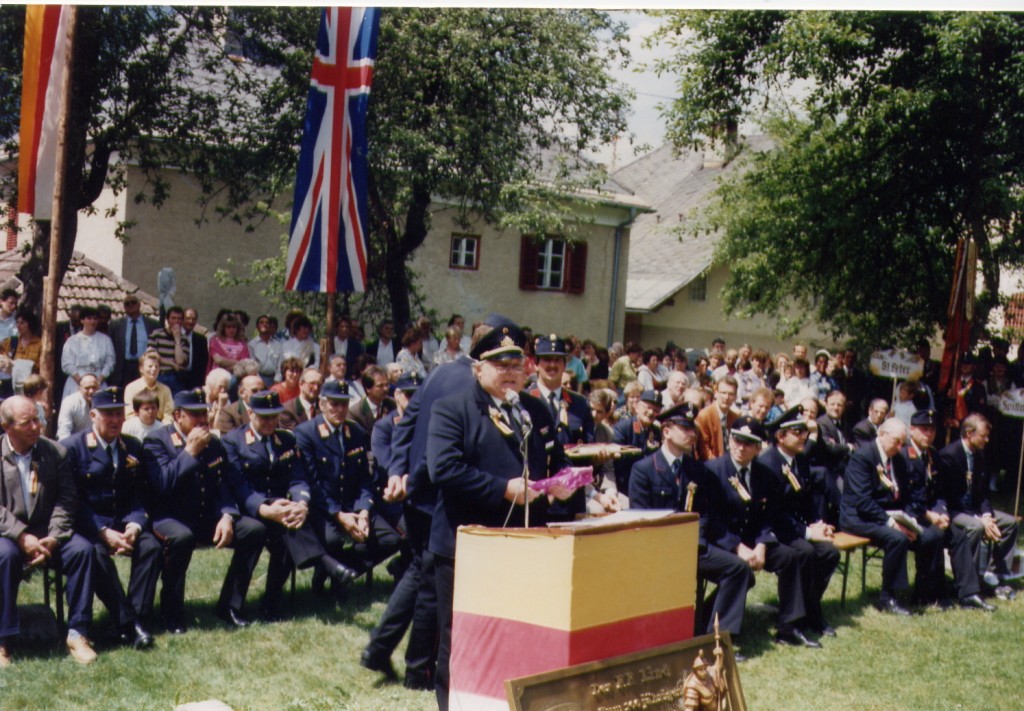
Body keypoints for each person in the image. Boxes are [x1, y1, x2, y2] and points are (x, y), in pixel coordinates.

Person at [427, 321, 571, 709]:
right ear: (478, 369)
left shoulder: (536, 409)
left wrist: (561, 483)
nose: (510, 373)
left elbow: (554, 460)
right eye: (500, 365)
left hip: (525, 546)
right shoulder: (453, 409)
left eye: (516, 365)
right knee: (460, 638)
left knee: (519, 632)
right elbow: (443, 469)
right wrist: (503, 488)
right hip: (468, 546)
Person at [222, 390, 354, 620]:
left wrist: (302, 503)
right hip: (248, 508)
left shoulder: (285, 440)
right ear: (250, 413)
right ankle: (231, 607)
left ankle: (271, 603)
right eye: (264, 417)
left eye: (274, 417)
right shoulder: (233, 441)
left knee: (289, 524)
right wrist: (265, 508)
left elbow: (298, 478)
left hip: (281, 509)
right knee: (260, 530)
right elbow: (237, 486)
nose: (270, 422)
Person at [144, 389, 266, 631]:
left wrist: (227, 515)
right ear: (178, 416)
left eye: (204, 413)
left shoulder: (214, 443)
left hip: (206, 516)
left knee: (254, 530)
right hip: (171, 516)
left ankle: (230, 605)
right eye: (195, 414)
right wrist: (189, 452)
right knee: (181, 538)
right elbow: (163, 484)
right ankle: (172, 613)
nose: (202, 420)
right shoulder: (157, 441)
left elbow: (223, 484)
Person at [0, 395, 98, 665]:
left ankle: (78, 633)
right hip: (9, 534)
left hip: (50, 532)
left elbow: (67, 500)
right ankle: (2, 640)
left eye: (38, 419)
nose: (36, 427)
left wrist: (53, 538)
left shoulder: (55, 452)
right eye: (27, 422)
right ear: (7, 427)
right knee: (4, 556)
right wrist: (21, 536)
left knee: (83, 551)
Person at [61, 387, 159, 650]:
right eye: (108, 414)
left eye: (119, 414)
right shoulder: (72, 448)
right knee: (95, 553)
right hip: (90, 525)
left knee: (151, 546)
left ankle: (133, 618)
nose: (115, 420)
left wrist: (135, 525)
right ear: (93, 415)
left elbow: (141, 494)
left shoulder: (133, 446)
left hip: (125, 522)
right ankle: (131, 623)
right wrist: (102, 531)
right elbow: (73, 501)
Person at [840, 418, 943, 615]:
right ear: (882, 434)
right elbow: (863, 501)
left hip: (888, 513)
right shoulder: (863, 457)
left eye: (902, 442)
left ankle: (924, 592)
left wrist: (910, 519)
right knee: (897, 537)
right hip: (858, 517)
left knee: (932, 535)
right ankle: (888, 597)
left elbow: (904, 496)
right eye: (896, 441)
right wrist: (892, 523)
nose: (899, 446)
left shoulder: (898, 459)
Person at [901, 409, 993, 610]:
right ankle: (930, 593)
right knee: (933, 536)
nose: (929, 434)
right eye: (924, 429)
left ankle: (968, 593)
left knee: (958, 537)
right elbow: (905, 496)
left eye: (932, 430)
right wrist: (928, 514)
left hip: (933, 514)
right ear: (912, 430)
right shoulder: (903, 455)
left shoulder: (933, 454)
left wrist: (941, 510)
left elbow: (940, 491)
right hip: (912, 515)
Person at [760, 407, 840, 639]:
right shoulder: (768, 464)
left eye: (804, 431)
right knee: (804, 552)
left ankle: (810, 611)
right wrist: (807, 532)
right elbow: (773, 513)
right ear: (780, 436)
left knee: (829, 553)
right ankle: (791, 622)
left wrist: (817, 523)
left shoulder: (800, 459)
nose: (803, 436)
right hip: (774, 530)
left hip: (795, 527)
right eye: (797, 432)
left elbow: (806, 499)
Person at [936, 413, 1019, 600]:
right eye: (983, 436)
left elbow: (983, 494)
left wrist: (988, 514)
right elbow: (948, 498)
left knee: (1010, 523)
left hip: (974, 511)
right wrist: (979, 519)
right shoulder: (949, 455)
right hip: (954, 511)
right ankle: (969, 583)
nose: (987, 440)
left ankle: (994, 576)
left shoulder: (980, 456)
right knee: (976, 526)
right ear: (968, 433)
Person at [527, 334, 599, 519]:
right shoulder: (524, 400)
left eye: (557, 360)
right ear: (536, 364)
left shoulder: (579, 403)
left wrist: (598, 458)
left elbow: (589, 446)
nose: (552, 365)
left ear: (565, 364)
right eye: (547, 360)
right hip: (536, 496)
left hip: (570, 497)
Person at [611, 389, 664, 504]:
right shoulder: (623, 428)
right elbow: (618, 461)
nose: (651, 413)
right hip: (627, 485)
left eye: (656, 410)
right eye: (648, 407)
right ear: (637, 407)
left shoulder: (656, 432)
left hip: (649, 486)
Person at [60, 306, 116, 400]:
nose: (92, 321)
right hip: (76, 381)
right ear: (82, 320)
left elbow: (110, 362)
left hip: (99, 381)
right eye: (89, 318)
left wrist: (99, 380)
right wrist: (81, 381)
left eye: (95, 318)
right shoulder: (72, 341)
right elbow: (66, 364)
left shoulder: (106, 340)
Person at [110, 294, 159, 390]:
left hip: (145, 367)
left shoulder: (153, 324)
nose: (131, 305)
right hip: (124, 369)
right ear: (124, 307)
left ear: (139, 304)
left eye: (133, 302)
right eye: (127, 304)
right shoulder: (116, 326)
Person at [695, 376, 740, 462]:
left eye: (731, 394)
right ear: (716, 393)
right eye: (723, 393)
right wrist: (720, 468)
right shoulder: (704, 416)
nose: (726, 397)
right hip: (711, 466)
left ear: (735, 397)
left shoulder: (735, 418)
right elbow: (704, 450)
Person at [123, 350, 175, 424]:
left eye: (156, 366)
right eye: (150, 366)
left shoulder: (165, 390)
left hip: (160, 429)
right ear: (141, 369)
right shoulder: (131, 388)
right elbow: (129, 416)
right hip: (138, 427)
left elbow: (168, 416)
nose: (154, 369)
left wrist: (160, 431)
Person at [350, 365, 395, 433]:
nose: (385, 389)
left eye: (387, 385)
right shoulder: (355, 413)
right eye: (380, 386)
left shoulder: (393, 405)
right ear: (368, 388)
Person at [57, 373, 100, 440]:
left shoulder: (104, 403)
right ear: (79, 388)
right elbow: (64, 433)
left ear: (99, 387)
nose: (91, 391)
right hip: (75, 445)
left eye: (94, 387)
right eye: (87, 388)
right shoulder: (69, 402)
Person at [1, 308, 43, 376]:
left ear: (30, 324)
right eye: (17, 322)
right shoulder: (11, 341)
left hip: (31, 382)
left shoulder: (40, 344)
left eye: (22, 323)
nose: (18, 326)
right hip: (13, 382)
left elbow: (41, 366)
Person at [249, 314, 284, 388]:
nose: (264, 324)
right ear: (257, 327)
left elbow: (280, 365)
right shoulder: (252, 345)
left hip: (275, 379)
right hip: (258, 378)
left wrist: (277, 381)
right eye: (261, 322)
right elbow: (252, 366)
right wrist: (260, 382)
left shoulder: (278, 345)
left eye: (267, 323)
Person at [181, 308, 209, 390]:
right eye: (188, 318)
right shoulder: (175, 335)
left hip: (194, 381)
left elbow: (204, 363)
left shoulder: (201, 339)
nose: (191, 321)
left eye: (193, 319)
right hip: (176, 378)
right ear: (182, 319)